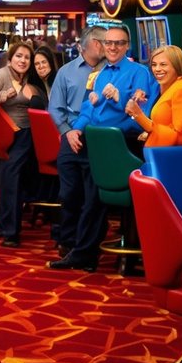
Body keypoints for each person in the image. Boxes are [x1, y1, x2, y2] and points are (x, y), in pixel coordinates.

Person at [50, 23, 157, 273]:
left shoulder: (138, 72)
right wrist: (76, 128)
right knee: (87, 198)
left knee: (94, 201)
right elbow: (89, 107)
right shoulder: (100, 73)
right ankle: (82, 252)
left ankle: (85, 254)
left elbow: (142, 113)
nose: (112, 47)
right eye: (108, 43)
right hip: (95, 140)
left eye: (119, 43)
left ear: (127, 46)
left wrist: (120, 99)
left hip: (121, 143)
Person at [47, 26, 105, 261]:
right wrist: (67, 132)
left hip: (100, 139)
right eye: (103, 42)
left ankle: (87, 246)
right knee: (69, 193)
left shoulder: (111, 71)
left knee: (93, 197)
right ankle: (67, 241)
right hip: (71, 136)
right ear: (92, 44)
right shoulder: (66, 72)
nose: (108, 46)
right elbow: (55, 107)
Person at [0, 41, 46, 247]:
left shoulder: (30, 77)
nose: (23, 60)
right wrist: (4, 95)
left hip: (33, 133)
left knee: (21, 181)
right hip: (12, 133)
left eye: (27, 57)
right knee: (10, 180)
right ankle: (9, 231)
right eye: (19, 56)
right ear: (10, 58)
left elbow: (44, 98)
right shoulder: (3, 74)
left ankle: (9, 225)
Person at [124, 44, 182, 147]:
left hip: (172, 155)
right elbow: (163, 124)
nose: (157, 69)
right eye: (154, 65)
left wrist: (139, 116)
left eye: (163, 64)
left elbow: (176, 135)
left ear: (176, 65)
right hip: (157, 150)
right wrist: (150, 133)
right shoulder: (164, 86)